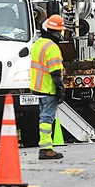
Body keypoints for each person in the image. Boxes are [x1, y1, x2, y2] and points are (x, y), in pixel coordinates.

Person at [31, 14, 66, 160]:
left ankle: (45, 147)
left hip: (38, 87)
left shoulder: (38, 43)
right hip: (48, 88)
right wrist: (60, 89)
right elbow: (55, 71)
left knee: (43, 116)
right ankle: (45, 148)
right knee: (47, 118)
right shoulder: (52, 47)